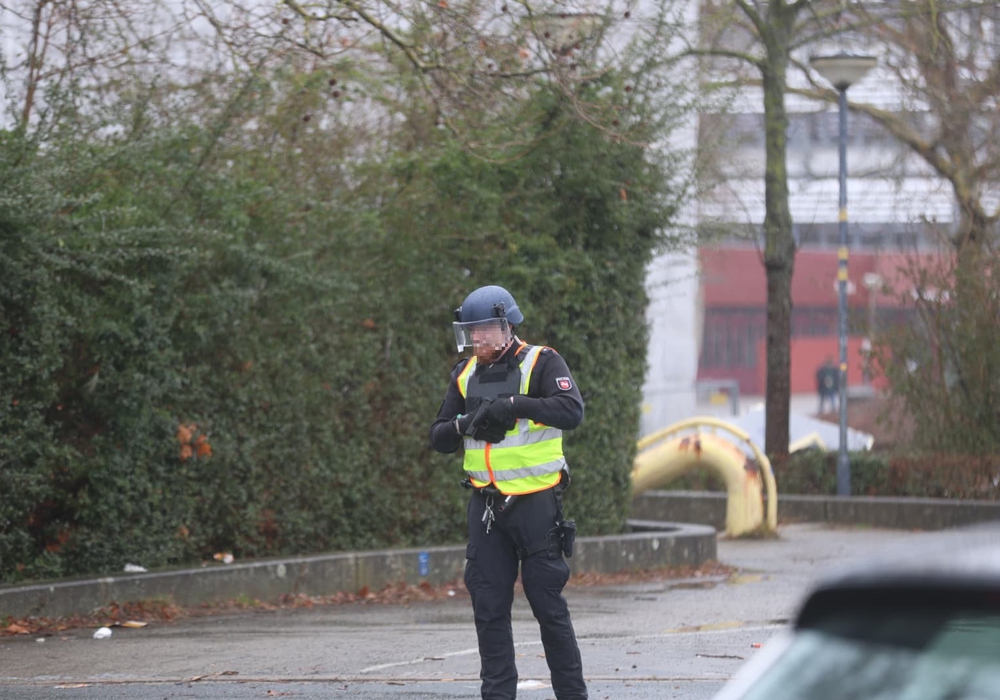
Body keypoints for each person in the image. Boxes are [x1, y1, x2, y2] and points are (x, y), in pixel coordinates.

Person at [429, 285, 588, 700]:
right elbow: (438, 436)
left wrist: (517, 405)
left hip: (535, 506)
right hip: (486, 507)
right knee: (488, 607)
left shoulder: (542, 361)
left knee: (547, 606)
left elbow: (571, 410)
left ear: (506, 325)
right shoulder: (465, 373)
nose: (477, 339)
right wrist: (463, 424)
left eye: (484, 330)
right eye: (471, 331)